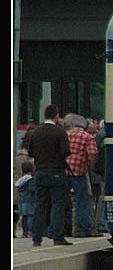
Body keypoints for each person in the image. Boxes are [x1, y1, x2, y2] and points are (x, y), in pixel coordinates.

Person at [27, 104, 73, 247]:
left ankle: (36, 237)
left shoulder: (35, 132)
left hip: (40, 171)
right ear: (56, 116)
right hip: (56, 172)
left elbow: (30, 152)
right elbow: (65, 151)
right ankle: (57, 236)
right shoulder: (59, 132)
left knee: (40, 203)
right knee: (57, 203)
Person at [63, 113, 98, 237]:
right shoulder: (87, 137)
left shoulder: (66, 135)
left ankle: (62, 228)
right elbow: (93, 154)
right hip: (79, 172)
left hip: (64, 171)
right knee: (82, 201)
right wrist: (90, 166)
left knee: (62, 201)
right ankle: (83, 229)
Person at [91, 120, 109, 234]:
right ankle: (101, 223)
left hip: (100, 170)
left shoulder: (100, 135)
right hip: (105, 170)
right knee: (103, 197)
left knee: (101, 197)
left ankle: (100, 222)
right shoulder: (105, 135)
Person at [15, 161, 36, 238]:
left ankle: (25, 232)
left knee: (24, 217)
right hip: (29, 200)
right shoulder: (30, 179)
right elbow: (32, 189)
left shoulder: (21, 180)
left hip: (22, 200)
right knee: (30, 216)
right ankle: (30, 232)